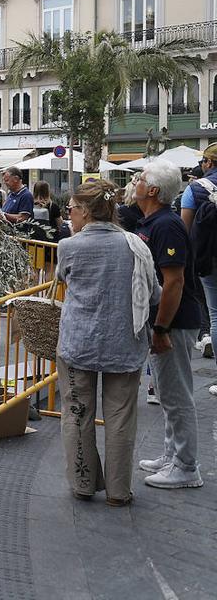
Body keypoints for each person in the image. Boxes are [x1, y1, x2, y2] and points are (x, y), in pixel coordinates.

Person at [56, 180, 160, 506]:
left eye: (71, 209)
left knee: (76, 413)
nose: (68, 216)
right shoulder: (134, 244)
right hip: (124, 342)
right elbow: (154, 293)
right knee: (120, 417)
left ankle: (83, 484)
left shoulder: (69, 246)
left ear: (85, 212)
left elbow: (62, 279)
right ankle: (118, 491)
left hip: (78, 343)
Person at [134, 159, 206, 489]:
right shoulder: (154, 222)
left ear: (153, 190)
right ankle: (171, 454)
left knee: (176, 396)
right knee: (166, 392)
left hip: (174, 323)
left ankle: (186, 466)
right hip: (167, 322)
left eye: (141, 178)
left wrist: (161, 328)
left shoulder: (166, 225)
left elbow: (174, 281)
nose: (135, 181)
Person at [179, 144, 217, 377]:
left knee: (215, 314)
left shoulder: (195, 189)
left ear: (209, 163)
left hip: (208, 259)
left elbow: (184, 229)